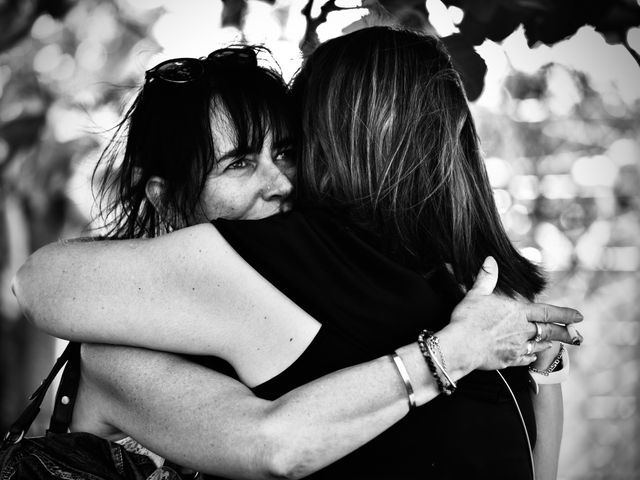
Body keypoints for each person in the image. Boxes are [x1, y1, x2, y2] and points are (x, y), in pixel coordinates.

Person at [13, 31, 582, 479]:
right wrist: (456, 355)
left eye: (286, 152)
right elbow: (35, 284)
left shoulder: (411, 296)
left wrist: (504, 362)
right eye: (238, 163)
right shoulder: (461, 298)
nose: (280, 183)